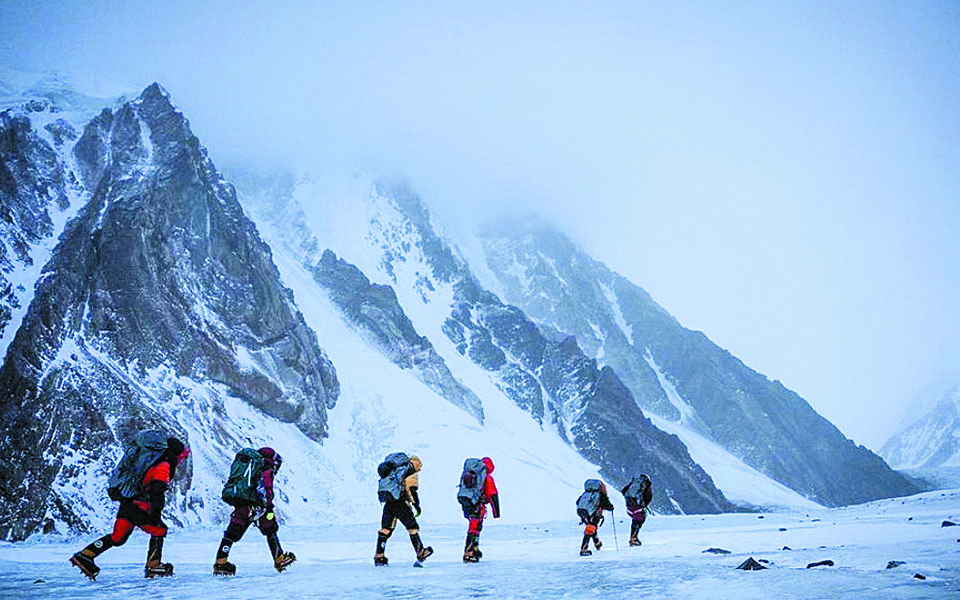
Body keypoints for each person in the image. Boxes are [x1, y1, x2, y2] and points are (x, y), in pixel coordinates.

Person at [70, 435, 190, 579]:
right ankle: (154, 565)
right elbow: (157, 488)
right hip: (140, 507)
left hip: (127, 503)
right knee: (159, 530)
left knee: (118, 538)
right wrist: (156, 512)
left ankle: (85, 555)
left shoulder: (148, 462)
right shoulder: (163, 465)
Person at [213, 447, 295, 575]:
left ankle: (221, 562)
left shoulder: (248, 467)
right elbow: (266, 487)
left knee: (231, 534)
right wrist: (268, 505)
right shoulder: (266, 468)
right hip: (257, 507)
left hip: (241, 505)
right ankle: (279, 558)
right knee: (270, 530)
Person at [374, 454, 433, 566]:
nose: (420, 469)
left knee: (386, 529)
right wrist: (416, 506)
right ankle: (420, 551)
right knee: (413, 527)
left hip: (389, 502)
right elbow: (411, 489)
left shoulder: (394, 471)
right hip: (400, 502)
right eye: (419, 466)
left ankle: (379, 555)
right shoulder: (409, 473)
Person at [461, 456, 500, 563]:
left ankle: (474, 549)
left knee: (474, 526)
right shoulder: (486, 478)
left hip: (467, 502)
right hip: (477, 504)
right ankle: (469, 553)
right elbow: (493, 495)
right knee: (474, 527)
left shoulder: (472, 474)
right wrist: (496, 512)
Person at [576, 479, 614, 557]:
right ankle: (584, 549)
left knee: (592, 528)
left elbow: (577, 502)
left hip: (584, 514)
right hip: (594, 514)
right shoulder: (599, 495)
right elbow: (607, 505)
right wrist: (611, 507)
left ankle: (597, 544)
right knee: (590, 529)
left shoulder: (586, 494)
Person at [621, 474, 653, 547]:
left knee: (635, 522)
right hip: (638, 508)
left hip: (629, 507)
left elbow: (623, 491)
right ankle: (634, 539)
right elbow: (649, 496)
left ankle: (633, 538)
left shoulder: (633, 484)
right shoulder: (646, 485)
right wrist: (644, 505)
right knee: (638, 522)